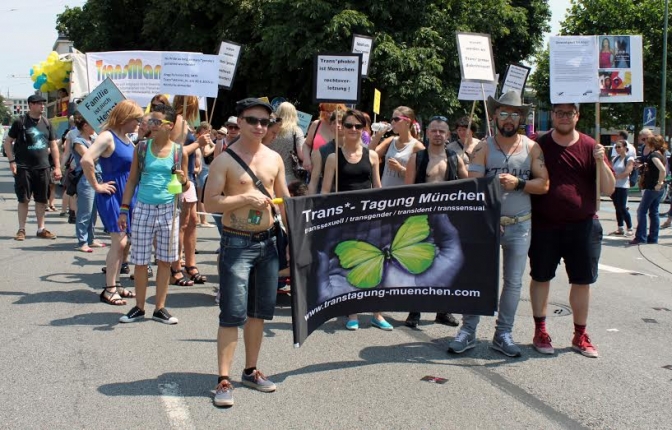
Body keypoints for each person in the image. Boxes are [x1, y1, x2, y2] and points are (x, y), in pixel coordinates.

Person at [448, 92, 549, 357]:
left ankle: (503, 333)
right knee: (478, 278)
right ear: (494, 116)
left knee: (513, 282)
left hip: (520, 225)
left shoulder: (532, 147)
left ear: (521, 118)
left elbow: (544, 184)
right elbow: (474, 187)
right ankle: (468, 330)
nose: (509, 118)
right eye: (504, 113)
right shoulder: (483, 147)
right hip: (488, 225)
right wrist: (487, 214)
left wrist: (520, 184)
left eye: (515, 114)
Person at [204, 98, 290, 407]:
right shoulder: (224, 160)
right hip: (236, 243)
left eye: (264, 122)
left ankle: (250, 370)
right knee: (232, 314)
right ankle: (223, 379)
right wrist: (244, 199)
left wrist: (297, 237)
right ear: (239, 122)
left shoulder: (274, 159)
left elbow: (285, 198)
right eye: (252, 120)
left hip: (268, 243)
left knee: (259, 313)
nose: (258, 126)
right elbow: (210, 203)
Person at [528, 103, 615, 359]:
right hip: (544, 225)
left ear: (577, 116)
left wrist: (601, 162)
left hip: (584, 226)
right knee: (541, 277)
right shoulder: (538, 143)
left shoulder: (590, 146)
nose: (564, 117)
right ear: (553, 115)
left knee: (582, 281)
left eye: (570, 113)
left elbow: (608, 189)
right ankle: (540, 331)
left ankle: (580, 334)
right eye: (559, 113)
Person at [118, 104, 191, 324]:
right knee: (140, 261)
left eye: (157, 122)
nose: (152, 125)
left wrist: (183, 180)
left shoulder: (179, 152)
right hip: (143, 209)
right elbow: (132, 180)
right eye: (151, 121)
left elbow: (184, 187)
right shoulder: (141, 148)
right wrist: (124, 209)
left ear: (169, 126)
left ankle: (160, 308)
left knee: (165, 261)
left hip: (169, 210)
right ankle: (139, 307)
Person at [321, 109, 391, 331]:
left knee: (376, 263)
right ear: (343, 127)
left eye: (357, 126)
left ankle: (377, 313)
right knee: (350, 265)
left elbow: (377, 186)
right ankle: (352, 311)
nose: (353, 129)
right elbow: (325, 191)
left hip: (369, 218)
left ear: (364, 130)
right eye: (349, 125)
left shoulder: (371, 156)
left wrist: (385, 211)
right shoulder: (333, 157)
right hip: (344, 219)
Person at [403, 115, 468, 328]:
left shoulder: (454, 158)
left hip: (448, 219)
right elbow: (407, 190)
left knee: (446, 264)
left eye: (442, 131)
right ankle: (414, 311)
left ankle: (443, 310)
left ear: (448, 135)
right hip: (421, 219)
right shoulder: (418, 158)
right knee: (418, 264)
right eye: (434, 130)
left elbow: (470, 185)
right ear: (427, 133)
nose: (438, 134)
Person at [81, 100, 143, 306]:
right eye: (136, 119)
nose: (138, 123)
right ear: (125, 117)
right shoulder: (107, 136)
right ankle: (109, 289)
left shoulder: (127, 139)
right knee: (120, 241)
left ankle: (116, 284)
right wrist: (97, 185)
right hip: (112, 194)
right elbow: (86, 159)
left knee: (126, 242)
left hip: (127, 195)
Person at [3, 94, 62, 241]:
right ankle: (21, 229)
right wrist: (12, 161)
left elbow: (53, 145)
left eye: (43, 103)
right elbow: (8, 142)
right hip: (24, 167)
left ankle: (41, 229)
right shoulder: (20, 122)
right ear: (30, 105)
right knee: (24, 199)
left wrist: (57, 166)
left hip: (43, 167)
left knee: (42, 200)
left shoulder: (47, 123)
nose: (42, 106)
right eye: (38, 103)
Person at [170, 95, 203, 286]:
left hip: (189, 177)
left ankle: (190, 263)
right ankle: (176, 266)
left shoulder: (184, 122)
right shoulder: (178, 121)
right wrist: (198, 143)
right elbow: (176, 151)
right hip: (181, 178)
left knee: (192, 222)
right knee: (181, 224)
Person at [71, 115, 106, 252]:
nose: (96, 127)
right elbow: (89, 158)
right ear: (85, 126)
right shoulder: (78, 141)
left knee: (93, 211)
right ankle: (82, 241)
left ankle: (90, 239)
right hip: (85, 178)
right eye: (93, 124)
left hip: (97, 176)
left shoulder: (93, 140)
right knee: (85, 211)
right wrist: (101, 151)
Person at [369, 106, 424, 188]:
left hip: (401, 197)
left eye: (396, 119)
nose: (392, 122)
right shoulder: (391, 140)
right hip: (384, 193)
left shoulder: (417, 146)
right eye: (392, 119)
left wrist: (400, 169)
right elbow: (369, 155)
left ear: (407, 121)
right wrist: (378, 135)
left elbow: (420, 176)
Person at [629, 135, 667, 245]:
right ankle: (653, 238)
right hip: (657, 188)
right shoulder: (661, 154)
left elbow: (662, 170)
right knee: (653, 212)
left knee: (641, 211)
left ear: (651, 144)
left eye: (647, 142)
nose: (645, 143)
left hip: (652, 187)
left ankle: (641, 237)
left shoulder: (654, 155)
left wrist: (659, 183)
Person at [306, 110, 345, 195]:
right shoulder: (321, 151)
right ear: (331, 126)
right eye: (335, 122)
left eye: (341, 122)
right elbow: (313, 182)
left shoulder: (357, 149)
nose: (338, 125)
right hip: (331, 200)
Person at [302, 103, 346, 171]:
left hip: (338, 173)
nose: (329, 114)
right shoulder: (316, 124)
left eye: (332, 111)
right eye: (326, 110)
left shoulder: (345, 128)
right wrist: (306, 159)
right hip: (315, 171)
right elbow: (306, 144)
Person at [271, 102, 306, 183]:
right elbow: (301, 155)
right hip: (289, 176)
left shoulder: (271, 129)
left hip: (270, 173)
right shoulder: (296, 130)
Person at [609, 140, 634, 236]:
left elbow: (627, 171)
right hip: (615, 186)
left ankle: (630, 228)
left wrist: (615, 177)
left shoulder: (629, 158)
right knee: (617, 207)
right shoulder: (615, 158)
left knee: (623, 207)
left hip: (623, 186)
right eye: (616, 147)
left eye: (619, 147)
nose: (617, 149)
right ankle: (620, 228)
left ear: (624, 147)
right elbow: (611, 170)